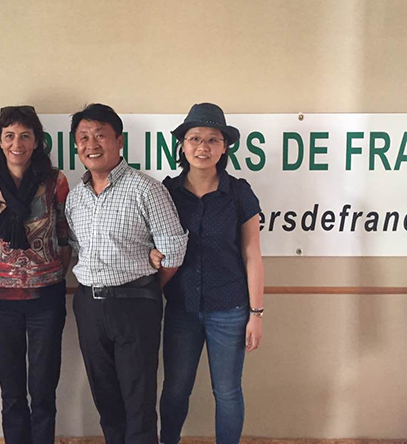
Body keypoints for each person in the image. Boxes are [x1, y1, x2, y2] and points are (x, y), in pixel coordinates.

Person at [65, 103, 188, 444]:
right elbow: (76, 247)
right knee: (105, 398)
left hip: (136, 305)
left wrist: (145, 286)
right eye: (83, 138)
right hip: (89, 305)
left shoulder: (146, 189)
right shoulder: (75, 198)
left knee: (138, 400)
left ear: (119, 141)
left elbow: (173, 251)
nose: (91, 144)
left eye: (100, 135)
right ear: (76, 146)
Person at [151, 102, 265, 444]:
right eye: (195, 138)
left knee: (227, 391)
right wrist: (152, 255)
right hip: (181, 308)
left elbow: (252, 254)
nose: (203, 147)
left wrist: (256, 314)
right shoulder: (167, 192)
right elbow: (151, 244)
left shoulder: (239, 193)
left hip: (230, 308)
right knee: (175, 389)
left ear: (224, 147)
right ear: (183, 145)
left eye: (213, 139)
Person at [0, 105, 70, 444]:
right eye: (9, 135)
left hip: (47, 300)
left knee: (43, 390)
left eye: (25, 136)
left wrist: (49, 272)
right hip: (2, 303)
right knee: (11, 392)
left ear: (37, 141)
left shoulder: (55, 182)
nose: (17, 143)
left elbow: (66, 236)